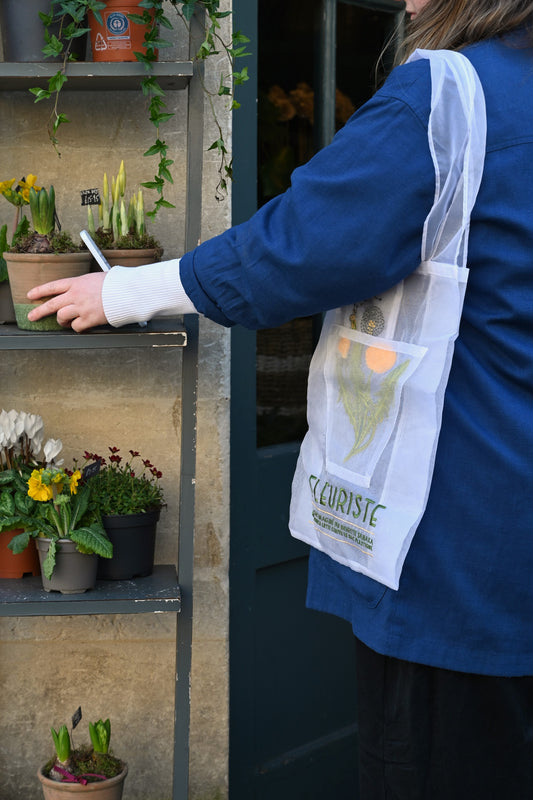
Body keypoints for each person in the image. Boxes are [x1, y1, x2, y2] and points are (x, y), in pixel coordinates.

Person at [27, 1, 533, 796]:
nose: (401, 3)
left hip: (459, 548)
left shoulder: (447, 96)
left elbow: (300, 244)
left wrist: (127, 291)